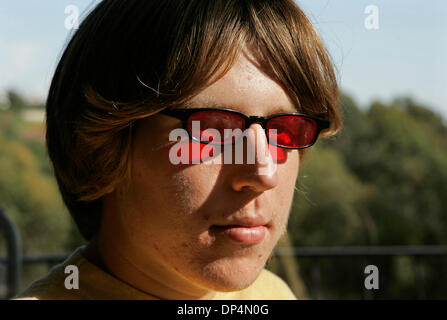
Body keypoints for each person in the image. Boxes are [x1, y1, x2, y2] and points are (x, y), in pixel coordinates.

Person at [15, 0, 342, 300]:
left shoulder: (271, 294)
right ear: (101, 150)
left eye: (283, 130)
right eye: (211, 130)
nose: (263, 172)